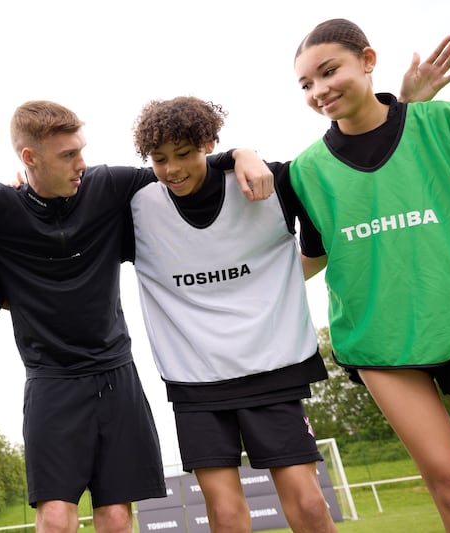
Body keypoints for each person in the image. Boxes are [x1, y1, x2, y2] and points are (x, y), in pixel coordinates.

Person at [0, 103, 273, 533]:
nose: (81, 163)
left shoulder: (108, 185)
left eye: (81, 150)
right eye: (68, 154)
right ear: (30, 158)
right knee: (54, 518)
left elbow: (182, 171)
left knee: (114, 516)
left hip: (116, 374)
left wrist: (242, 153)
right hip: (51, 380)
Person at [289, 19, 450, 531]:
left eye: (328, 71)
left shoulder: (446, 123)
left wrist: (410, 108)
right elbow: (314, 253)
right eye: (306, 84)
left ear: (368, 60)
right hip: (380, 341)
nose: (319, 90)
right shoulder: (306, 170)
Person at [130, 96, 334, 533]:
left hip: (272, 368)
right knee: (224, 514)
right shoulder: (136, 204)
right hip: (194, 380)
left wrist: (270, 290)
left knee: (310, 506)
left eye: (184, 154)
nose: (172, 169)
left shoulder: (273, 181)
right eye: (160, 159)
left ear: (208, 142)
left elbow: (318, 249)